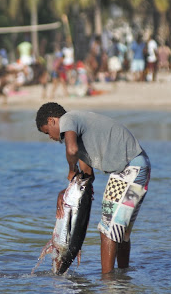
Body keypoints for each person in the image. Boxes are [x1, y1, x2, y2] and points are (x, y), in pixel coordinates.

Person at [35, 102, 151, 274]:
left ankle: (107, 284)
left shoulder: (68, 119)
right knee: (121, 230)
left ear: (52, 121)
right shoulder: (81, 133)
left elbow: (72, 149)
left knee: (108, 229)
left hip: (129, 170)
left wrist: (70, 169)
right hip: (140, 167)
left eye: (47, 132)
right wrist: (66, 192)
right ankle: (122, 278)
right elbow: (87, 176)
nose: (50, 137)